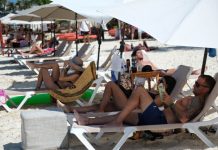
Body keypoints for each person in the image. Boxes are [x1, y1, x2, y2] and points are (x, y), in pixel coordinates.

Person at [74, 74, 216, 126]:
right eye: (195, 82)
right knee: (122, 113)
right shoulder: (193, 98)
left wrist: (170, 103)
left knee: (140, 91)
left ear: (206, 89)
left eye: (198, 84)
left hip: (159, 120)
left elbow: (184, 119)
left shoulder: (198, 102)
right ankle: (87, 121)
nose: (194, 85)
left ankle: (117, 122)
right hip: (156, 116)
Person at [57, 75, 176, 113]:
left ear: (167, 87)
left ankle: (100, 113)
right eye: (159, 80)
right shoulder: (155, 91)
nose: (159, 82)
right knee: (101, 104)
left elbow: (150, 108)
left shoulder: (162, 96)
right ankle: (71, 109)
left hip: (129, 107)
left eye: (162, 82)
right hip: (129, 102)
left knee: (110, 85)